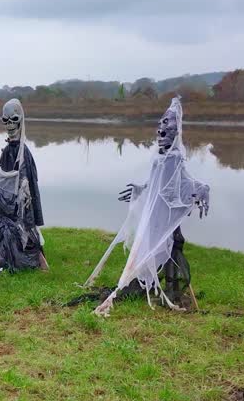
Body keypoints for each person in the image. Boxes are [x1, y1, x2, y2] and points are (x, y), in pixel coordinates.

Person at [84, 97, 210, 316]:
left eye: (167, 124)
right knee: (157, 246)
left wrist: (201, 189)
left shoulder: (175, 158)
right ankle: (163, 288)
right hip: (157, 215)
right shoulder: (159, 158)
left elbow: (182, 182)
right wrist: (140, 190)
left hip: (167, 215)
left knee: (172, 246)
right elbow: (155, 183)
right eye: (160, 124)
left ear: (177, 130)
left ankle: (172, 290)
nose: (161, 130)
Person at [0, 98, 47, 275]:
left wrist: (23, 187)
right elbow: (4, 175)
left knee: (22, 224)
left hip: (19, 203)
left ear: (20, 121)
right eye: (6, 121)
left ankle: (30, 259)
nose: (9, 125)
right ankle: (5, 258)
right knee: (4, 224)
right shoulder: (8, 150)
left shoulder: (23, 152)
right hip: (6, 203)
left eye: (13, 120)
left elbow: (27, 179)